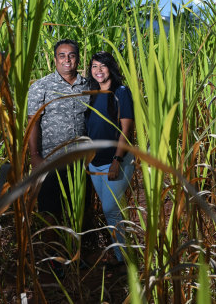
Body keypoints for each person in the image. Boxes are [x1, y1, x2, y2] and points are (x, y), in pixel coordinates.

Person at [27, 38, 90, 220]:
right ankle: (50, 248)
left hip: (80, 160)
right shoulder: (41, 87)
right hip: (51, 159)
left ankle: (76, 247)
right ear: (55, 60)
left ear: (78, 59)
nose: (67, 60)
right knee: (50, 210)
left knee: (77, 209)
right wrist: (35, 155)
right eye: (61, 56)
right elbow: (33, 122)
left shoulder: (87, 86)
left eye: (71, 55)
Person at [85, 51, 135, 268]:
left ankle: (127, 259)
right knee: (113, 211)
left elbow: (127, 128)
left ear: (111, 68)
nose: (98, 70)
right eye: (94, 66)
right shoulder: (91, 93)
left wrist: (117, 159)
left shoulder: (121, 92)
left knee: (110, 209)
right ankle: (121, 256)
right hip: (94, 162)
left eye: (103, 66)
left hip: (117, 160)